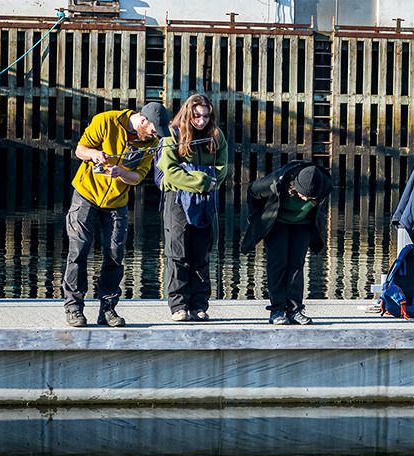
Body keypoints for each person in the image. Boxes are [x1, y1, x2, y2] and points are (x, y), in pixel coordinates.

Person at [63, 102, 170, 328]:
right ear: (143, 120)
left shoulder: (151, 143)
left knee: (114, 255)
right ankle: (74, 308)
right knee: (78, 251)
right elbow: (80, 150)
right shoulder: (106, 121)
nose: (156, 135)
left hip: (117, 202)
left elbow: (138, 177)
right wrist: (94, 154)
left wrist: (121, 172)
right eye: (154, 130)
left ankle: (108, 309)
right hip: (86, 195)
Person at [157, 94, 228, 322]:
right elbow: (170, 171)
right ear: (188, 114)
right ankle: (178, 305)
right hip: (177, 199)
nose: (201, 121)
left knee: (201, 254)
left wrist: (208, 181)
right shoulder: (172, 134)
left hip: (205, 199)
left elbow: (222, 168)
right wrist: (201, 180)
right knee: (177, 253)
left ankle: (199, 304)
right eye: (196, 116)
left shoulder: (216, 135)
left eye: (205, 116)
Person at [240, 161, 332, 325]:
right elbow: (253, 190)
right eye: (303, 196)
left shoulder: (324, 185)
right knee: (278, 264)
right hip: (277, 222)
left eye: (311, 198)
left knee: (296, 264)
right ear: (294, 187)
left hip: (303, 224)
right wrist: (256, 219)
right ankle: (277, 310)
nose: (306, 200)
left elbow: (321, 210)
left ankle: (295, 310)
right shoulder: (277, 181)